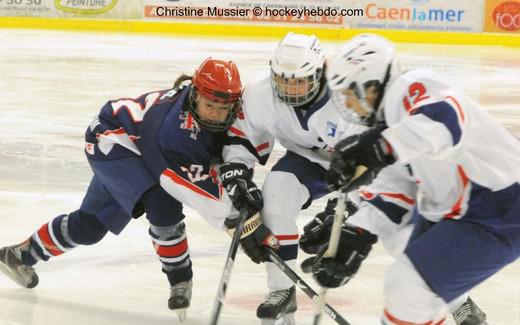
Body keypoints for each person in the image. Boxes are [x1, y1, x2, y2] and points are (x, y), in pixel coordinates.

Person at [0, 58, 243, 321]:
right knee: (162, 203)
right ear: (195, 95)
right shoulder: (173, 130)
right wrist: (230, 217)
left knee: (91, 226)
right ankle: (180, 279)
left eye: (224, 108)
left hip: (136, 143)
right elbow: (188, 186)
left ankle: (21, 254)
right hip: (112, 139)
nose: (216, 114)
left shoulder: (210, 114)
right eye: (209, 105)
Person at [308, 33, 518, 324]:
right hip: (461, 211)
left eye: (349, 95)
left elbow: (445, 118)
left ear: (372, 85)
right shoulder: (387, 126)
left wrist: (378, 148)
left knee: (408, 288)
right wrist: (354, 236)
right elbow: (395, 194)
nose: (348, 106)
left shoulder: (409, 86)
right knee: (411, 290)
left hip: (499, 206)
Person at [217, 32, 367, 324]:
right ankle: (281, 291)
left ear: (319, 73)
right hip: (307, 163)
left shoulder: (348, 96)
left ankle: (454, 298)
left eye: (299, 81)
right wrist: (237, 172)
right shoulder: (260, 96)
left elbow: (381, 162)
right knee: (276, 193)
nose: (291, 89)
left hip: (360, 170)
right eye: (284, 80)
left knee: (401, 227)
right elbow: (242, 138)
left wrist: (347, 208)